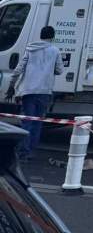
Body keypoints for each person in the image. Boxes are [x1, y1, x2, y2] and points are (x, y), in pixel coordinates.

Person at [6, 25, 63, 161]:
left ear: (41, 35)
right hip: (44, 91)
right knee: (38, 122)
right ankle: (30, 151)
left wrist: (11, 86)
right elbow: (59, 70)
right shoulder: (55, 51)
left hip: (28, 91)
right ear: (52, 37)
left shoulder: (30, 49)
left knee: (27, 121)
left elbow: (19, 69)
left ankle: (22, 152)